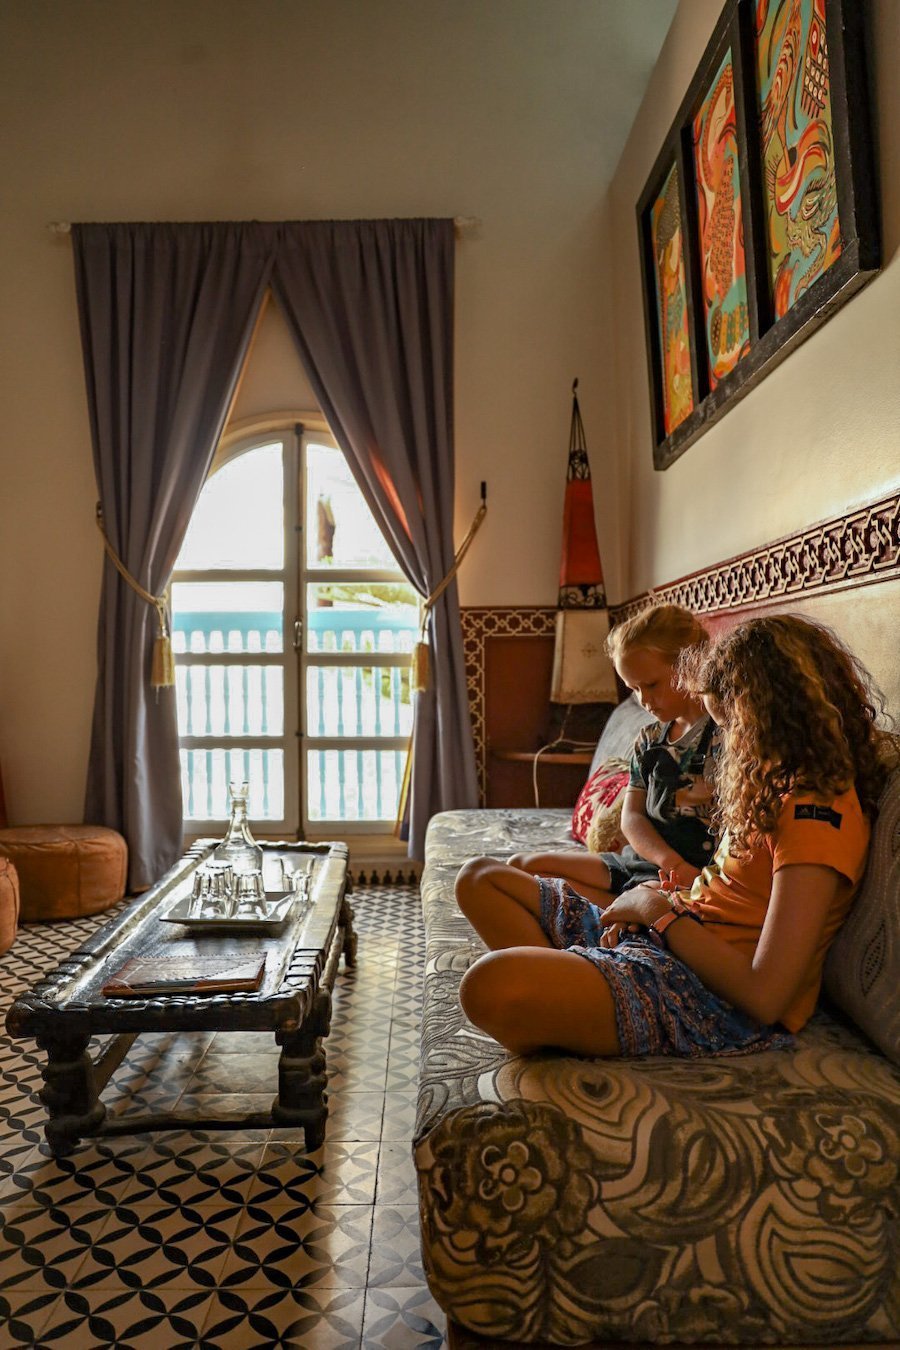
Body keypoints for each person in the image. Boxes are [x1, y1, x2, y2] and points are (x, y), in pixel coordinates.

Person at [456, 615, 896, 1060]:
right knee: (480, 879)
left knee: (489, 985)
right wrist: (658, 899)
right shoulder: (774, 787)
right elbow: (722, 896)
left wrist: (657, 913)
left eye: (735, 729)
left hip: (704, 995)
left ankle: (580, 997)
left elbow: (767, 996)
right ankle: (582, 992)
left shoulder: (817, 816)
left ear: (771, 716)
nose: (732, 746)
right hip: (668, 939)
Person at [509, 603, 719, 905]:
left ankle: (618, 914)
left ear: (691, 663)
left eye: (651, 684)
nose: (644, 701)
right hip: (644, 863)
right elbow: (631, 817)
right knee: (521, 868)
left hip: (685, 879)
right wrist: (670, 862)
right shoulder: (648, 739)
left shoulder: (721, 735)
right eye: (634, 689)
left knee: (534, 895)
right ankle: (613, 910)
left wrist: (684, 873)